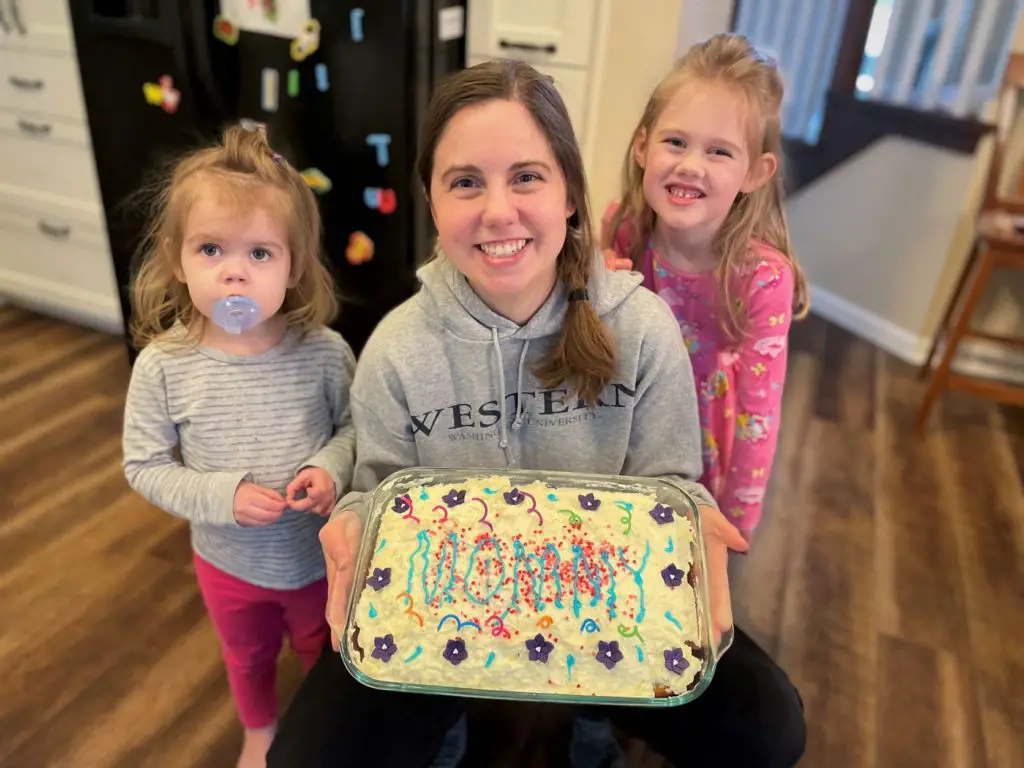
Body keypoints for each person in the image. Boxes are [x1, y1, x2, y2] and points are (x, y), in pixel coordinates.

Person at [267, 59, 805, 768]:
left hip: (605, 606)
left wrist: (689, 517)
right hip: (439, 612)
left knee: (767, 729)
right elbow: (383, 498)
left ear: (572, 196)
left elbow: (669, 484)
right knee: (307, 758)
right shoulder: (396, 348)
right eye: (465, 182)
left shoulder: (639, 330)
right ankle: (447, 716)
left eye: (526, 176)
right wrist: (357, 521)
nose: (498, 211)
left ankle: (592, 711)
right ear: (432, 199)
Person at [122, 126, 357, 768]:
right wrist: (220, 495)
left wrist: (328, 468)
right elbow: (143, 465)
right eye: (210, 249)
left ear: (293, 265)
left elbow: (355, 432)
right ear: (177, 258)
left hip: (316, 559)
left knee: (322, 648)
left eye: (260, 253)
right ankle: (259, 729)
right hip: (227, 564)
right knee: (247, 656)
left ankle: (316, 731)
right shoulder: (164, 367)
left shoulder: (325, 354)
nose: (233, 270)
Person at [602, 33, 810, 543]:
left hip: (702, 450)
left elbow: (758, 420)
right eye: (676, 141)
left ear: (755, 173)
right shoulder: (623, 230)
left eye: (719, 151)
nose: (691, 165)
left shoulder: (763, 279)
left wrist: (734, 524)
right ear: (643, 145)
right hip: (624, 433)